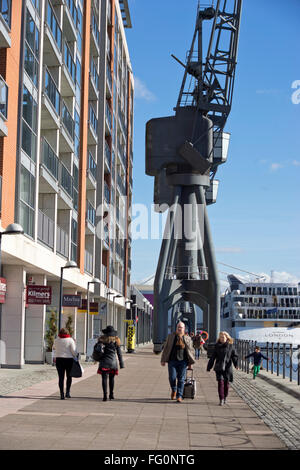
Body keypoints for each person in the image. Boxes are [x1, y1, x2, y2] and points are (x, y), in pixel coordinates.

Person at [161, 321, 195, 403]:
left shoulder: (187, 338)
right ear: (176, 328)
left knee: (181, 379)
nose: (179, 329)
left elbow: (191, 351)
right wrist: (163, 360)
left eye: (181, 327)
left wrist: (190, 364)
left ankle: (179, 395)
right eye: (178, 327)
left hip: (183, 362)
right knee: (172, 377)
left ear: (184, 329)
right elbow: (166, 348)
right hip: (172, 361)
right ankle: (174, 389)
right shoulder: (171, 336)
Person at [206, 331, 238, 406]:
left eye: (223, 337)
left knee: (226, 384)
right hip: (219, 366)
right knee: (220, 382)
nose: (222, 338)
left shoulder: (231, 346)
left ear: (227, 338)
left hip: (227, 367)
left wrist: (236, 364)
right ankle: (221, 399)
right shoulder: (217, 346)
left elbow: (234, 356)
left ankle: (225, 396)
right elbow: (212, 357)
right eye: (220, 337)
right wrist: (209, 367)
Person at [96, 325, 124, 401]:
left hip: (104, 362)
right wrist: (121, 363)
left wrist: (96, 358)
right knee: (112, 379)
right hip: (113, 363)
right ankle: (111, 394)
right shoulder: (116, 341)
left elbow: (97, 350)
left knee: (104, 379)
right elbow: (119, 353)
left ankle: (105, 395)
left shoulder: (102, 340)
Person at [53, 328, 77, 400]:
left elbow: (54, 348)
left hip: (59, 360)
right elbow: (74, 351)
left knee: (61, 378)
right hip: (68, 360)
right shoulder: (70, 340)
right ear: (67, 333)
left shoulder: (56, 340)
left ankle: (61, 394)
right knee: (69, 377)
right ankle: (67, 392)